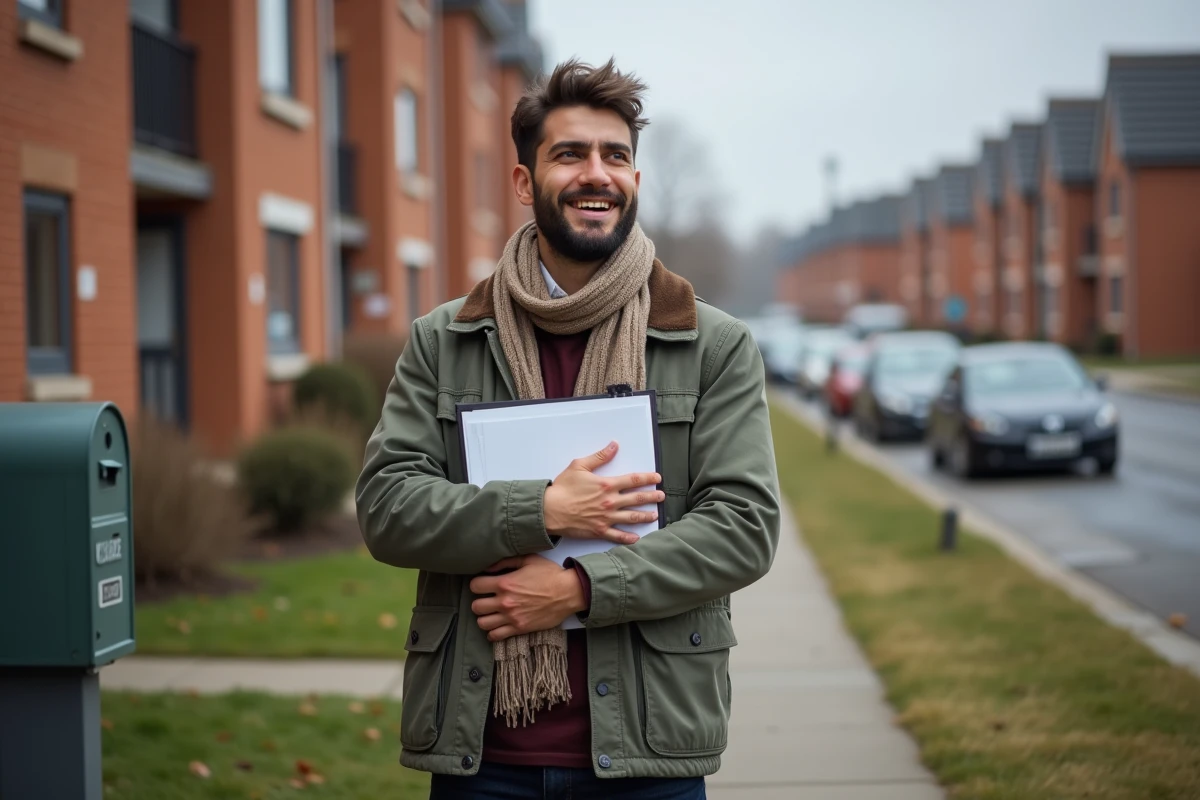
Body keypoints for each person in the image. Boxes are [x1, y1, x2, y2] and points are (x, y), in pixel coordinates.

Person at [356, 57, 780, 800]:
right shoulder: (445, 338)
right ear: (525, 183)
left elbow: (743, 527)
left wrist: (579, 587)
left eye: (615, 156)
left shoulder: (711, 344)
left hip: (649, 755)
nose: (597, 173)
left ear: (636, 182)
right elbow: (388, 507)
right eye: (569, 154)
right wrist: (542, 511)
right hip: (482, 755)